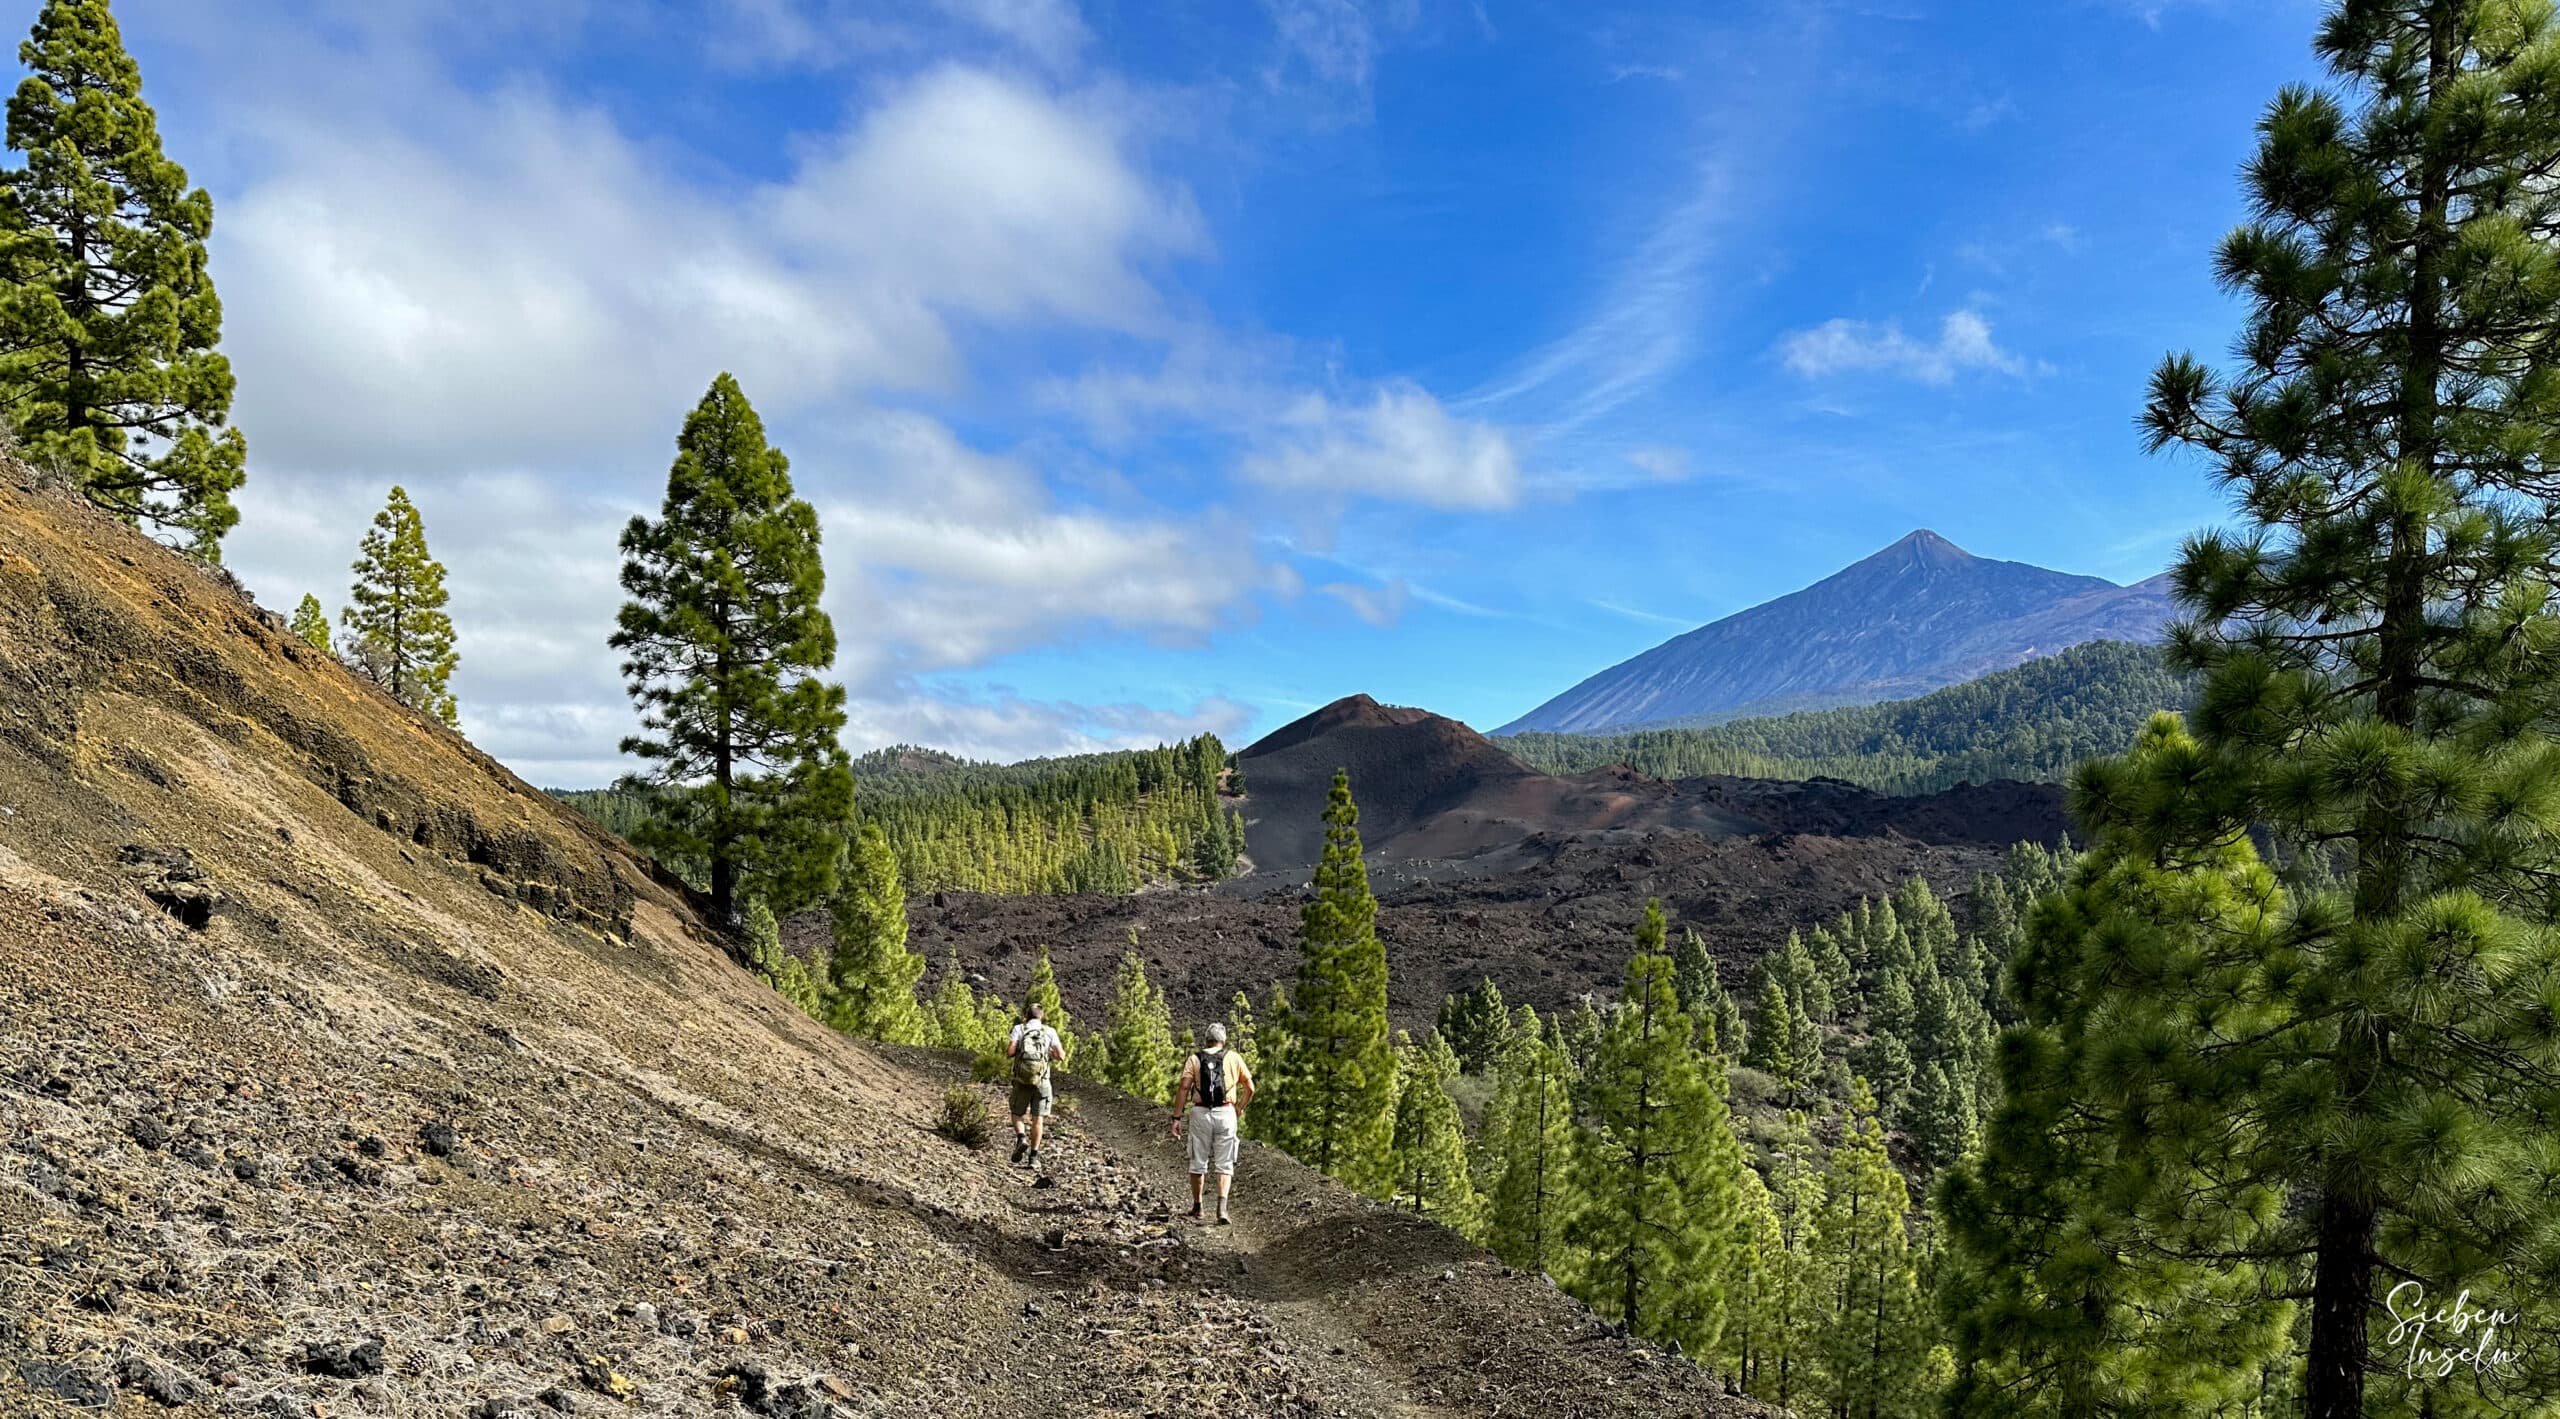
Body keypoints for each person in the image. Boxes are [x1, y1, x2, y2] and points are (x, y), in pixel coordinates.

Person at [1170, 1021, 1254, 1224]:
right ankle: (1222, 1209)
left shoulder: (1194, 1059)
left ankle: (1198, 1208)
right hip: (1226, 1113)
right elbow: (1250, 1087)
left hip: (1201, 1114)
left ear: (1206, 1040)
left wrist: (1177, 1117)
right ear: (1223, 1041)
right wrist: (1240, 1107)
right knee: (1225, 1162)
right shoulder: (1233, 1058)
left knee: (1198, 1161)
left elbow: (1183, 1087)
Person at [1006, 1003, 1066, 1170]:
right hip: (1042, 1081)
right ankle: (1034, 1158)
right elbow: (1061, 1056)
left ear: (1026, 1016)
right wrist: (1050, 1053)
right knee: (1038, 1119)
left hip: (1022, 1080)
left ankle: (1021, 1137)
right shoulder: (1049, 1031)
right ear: (1042, 1017)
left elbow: (1010, 1052)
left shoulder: (1019, 1028)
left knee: (1017, 1113)